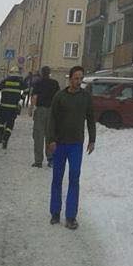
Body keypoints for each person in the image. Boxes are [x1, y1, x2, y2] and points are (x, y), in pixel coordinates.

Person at [46, 65, 95, 230]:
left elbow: (91, 119)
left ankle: (71, 216)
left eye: (81, 78)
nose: (78, 81)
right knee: (57, 178)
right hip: (59, 144)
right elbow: (52, 119)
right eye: (76, 78)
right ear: (70, 79)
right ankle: (55, 212)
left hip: (76, 145)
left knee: (74, 178)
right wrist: (51, 140)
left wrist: (92, 140)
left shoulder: (86, 97)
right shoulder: (60, 96)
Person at [29, 66, 59, 168]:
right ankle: (51, 159)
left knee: (38, 136)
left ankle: (38, 161)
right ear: (49, 73)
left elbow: (34, 97)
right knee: (50, 135)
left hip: (41, 111)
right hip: (52, 111)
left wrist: (31, 109)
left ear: (42, 73)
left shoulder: (38, 83)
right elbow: (58, 97)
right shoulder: (55, 83)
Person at [0, 66, 26, 148]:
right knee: (10, 124)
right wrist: (22, 96)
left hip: (3, 106)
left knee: (1, 122)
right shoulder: (20, 82)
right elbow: (27, 90)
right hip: (13, 108)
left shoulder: (5, 81)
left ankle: (0, 137)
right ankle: (5, 139)